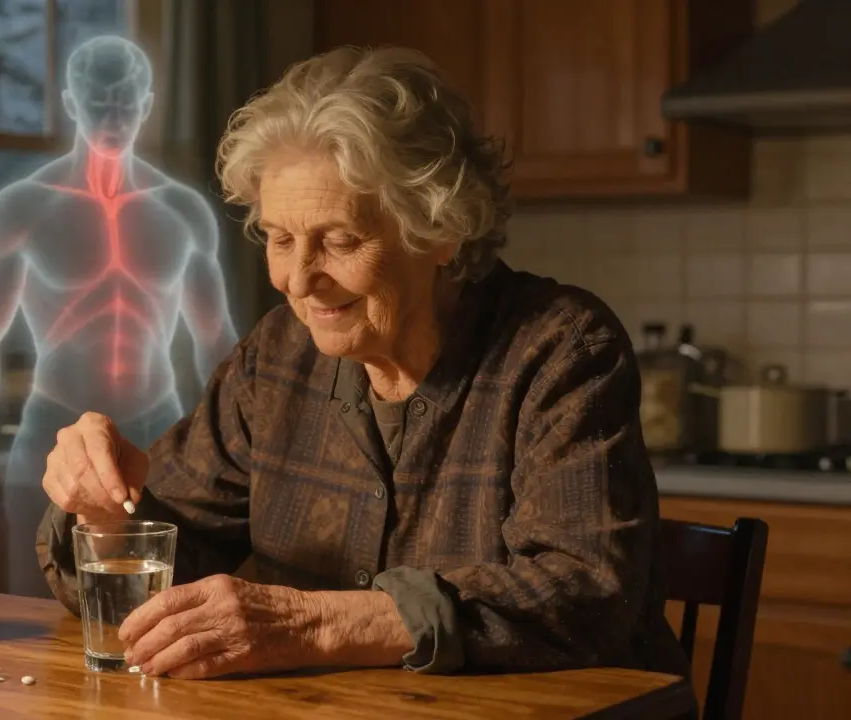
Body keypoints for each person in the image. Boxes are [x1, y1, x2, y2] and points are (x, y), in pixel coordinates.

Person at [36, 46, 690, 679]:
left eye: (340, 240)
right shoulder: (277, 358)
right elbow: (177, 552)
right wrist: (103, 511)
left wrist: (318, 625)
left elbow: (585, 590)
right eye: (280, 238)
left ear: (438, 230)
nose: (297, 278)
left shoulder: (560, 349)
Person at [0, 36, 238, 596]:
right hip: (49, 433)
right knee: (30, 619)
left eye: (126, 103)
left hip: (161, 432)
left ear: (148, 104)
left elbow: (218, 342)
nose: (114, 116)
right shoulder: (24, 206)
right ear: (70, 103)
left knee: (164, 614)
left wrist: (234, 454)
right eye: (98, 102)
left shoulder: (182, 212)